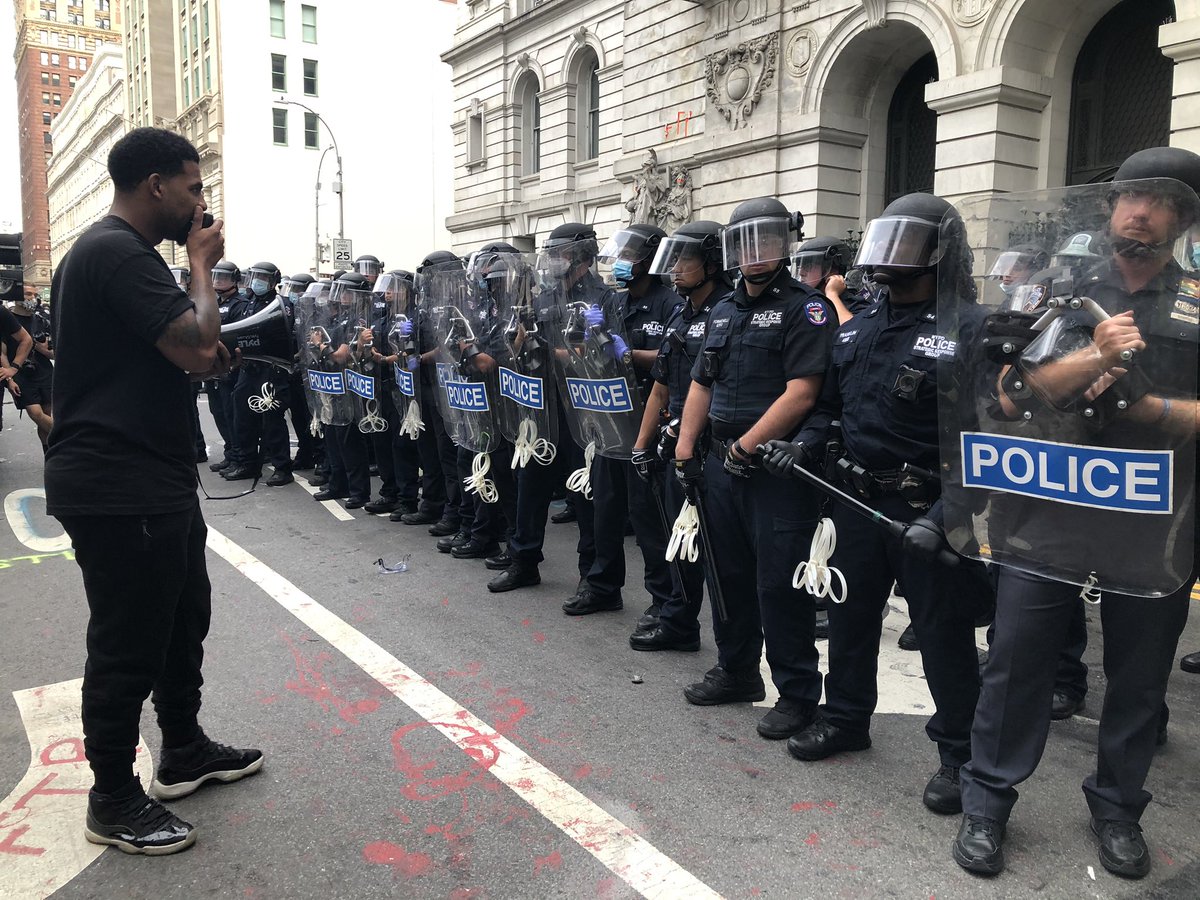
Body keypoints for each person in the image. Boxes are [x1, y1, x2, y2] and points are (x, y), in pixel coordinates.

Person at [951, 146, 1200, 880]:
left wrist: (1152, 407)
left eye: (1157, 201)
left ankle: (1118, 809)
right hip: (1051, 504)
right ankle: (988, 800)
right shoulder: (1058, 290)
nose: (1137, 211)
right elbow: (1007, 393)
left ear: (1182, 218)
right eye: (1128, 196)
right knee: (1017, 659)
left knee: (1140, 674)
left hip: (1151, 519)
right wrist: (1094, 357)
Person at [44, 127, 261, 855]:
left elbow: (190, 356)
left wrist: (210, 349)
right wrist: (202, 265)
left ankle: (183, 750)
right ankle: (111, 799)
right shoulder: (115, 252)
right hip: (117, 482)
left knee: (180, 621)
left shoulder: (114, 255)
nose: (202, 204)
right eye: (194, 188)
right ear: (156, 185)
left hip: (151, 477)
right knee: (128, 641)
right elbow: (197, 345)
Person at [761, 192, 989, 815]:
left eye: (907, 244)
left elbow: (987, 439)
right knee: (851, 619)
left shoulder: (971, 329)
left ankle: (959, 755)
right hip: (856, 502)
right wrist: (800, 446)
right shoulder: (857, 326)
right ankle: (846, 720)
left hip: (927, 509)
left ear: (941, 250)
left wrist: (944, 520)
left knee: (942, 637)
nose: (889, 260)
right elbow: (829, 411)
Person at [673, 196, 834, 740]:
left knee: (778, 584)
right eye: (745, 242)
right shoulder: (722, 309)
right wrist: (685, 450)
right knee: (728, 575)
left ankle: (797, 694)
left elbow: (803, 391)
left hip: (772, 469)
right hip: (719, 464)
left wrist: (746, 447)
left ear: (785, 243)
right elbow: (702, 382)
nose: (756, 253)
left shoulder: (806, 308)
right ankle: (738, 671)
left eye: (767, 240)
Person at [562, 224, 676, 621]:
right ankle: (601, 586)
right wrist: (591, 341)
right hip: (613, 419)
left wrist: (629, 353)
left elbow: (671, 360)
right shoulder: (614, 302)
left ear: (651, 259)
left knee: (648, 518)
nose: (622, 263)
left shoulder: (671, 303)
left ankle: (664, 601)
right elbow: (597, 357)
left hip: (650, 423)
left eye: (631, 256)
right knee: (605, 509)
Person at [629, 220, 733, 650]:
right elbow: (661, 384)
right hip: (674, 443)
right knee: (677, 538)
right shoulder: (680, 311)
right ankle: (679, 622)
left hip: (709, 449)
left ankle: (730, 651)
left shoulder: (727, 311)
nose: (674, 269)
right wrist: (641, 444)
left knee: (713, 550)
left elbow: (718, 390)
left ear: (711, 261)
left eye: (684, 259)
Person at [4, 288, 55, 449]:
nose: (32, 298)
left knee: (45, 417)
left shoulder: (41, 319)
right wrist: (9, 379)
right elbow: (2, 354)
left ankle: (49, 456)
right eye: (28, 294)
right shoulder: (8, 319)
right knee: (35, 414)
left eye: (34, 295)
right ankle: (68, 438)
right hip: (21, 375)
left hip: (45, 372)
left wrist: (41, 348)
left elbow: (53, 354)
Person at [205, 260, 243, 473]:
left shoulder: (240, 303)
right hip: (213, 367)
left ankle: (238, 456)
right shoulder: (214, 302)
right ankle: (230, 453)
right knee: (218, 411)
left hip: (230, 366)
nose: (218, 280)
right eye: (216, 276)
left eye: (224, 277)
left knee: (232, 413)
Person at [793, 236, 868, 324]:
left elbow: (851, 332)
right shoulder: (800, 301)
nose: (801, 272)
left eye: (808, 266)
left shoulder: (856, 306)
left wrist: (832, 295)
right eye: (799, 267)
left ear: (832, 270)